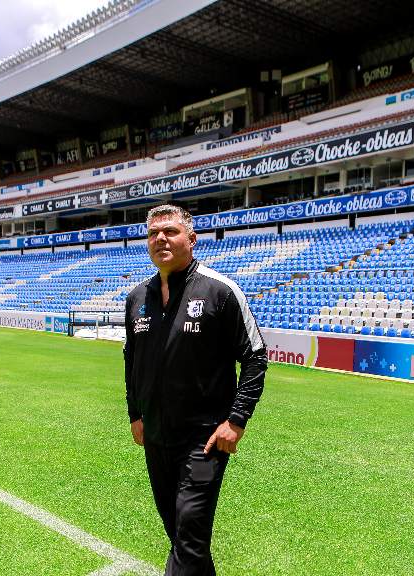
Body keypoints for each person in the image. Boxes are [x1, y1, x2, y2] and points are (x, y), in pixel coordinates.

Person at [124, 204, 267, 575]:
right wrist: (135, 414)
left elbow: (255, 357)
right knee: (183, 537)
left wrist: (236, 421)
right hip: (155, 437)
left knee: (188, 537)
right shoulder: (137, 298)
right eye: (154, 233)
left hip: (204, 440)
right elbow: (131, 362)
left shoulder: (220, 292)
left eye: (170, 231)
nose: (161, 239)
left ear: (191, 238)